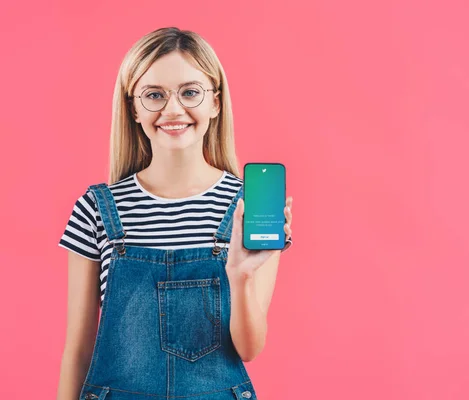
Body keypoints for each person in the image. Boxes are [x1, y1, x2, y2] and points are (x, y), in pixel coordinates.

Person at [56, 26, 293, 400]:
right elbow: (79, 350)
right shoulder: (97, 209)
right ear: (133, 107)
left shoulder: (248, 209)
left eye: (190, 92)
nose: (173, 109)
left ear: (215, 102)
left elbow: (249, 349)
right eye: (154, 95)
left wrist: (241, 274)